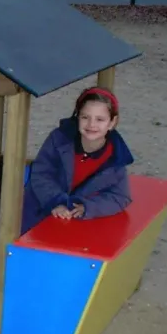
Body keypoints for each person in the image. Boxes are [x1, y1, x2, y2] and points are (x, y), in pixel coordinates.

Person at [20, 87, 134, 235]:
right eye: (85, 117)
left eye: (100, 119)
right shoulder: (58, 139)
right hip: (38, 213)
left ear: (112, 122)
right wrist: (56, 202)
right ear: (77, 117)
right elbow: (41, 174)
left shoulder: (116, 158)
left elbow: (120, 197)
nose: (91, 124)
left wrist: (87, 207)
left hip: (78, 226)